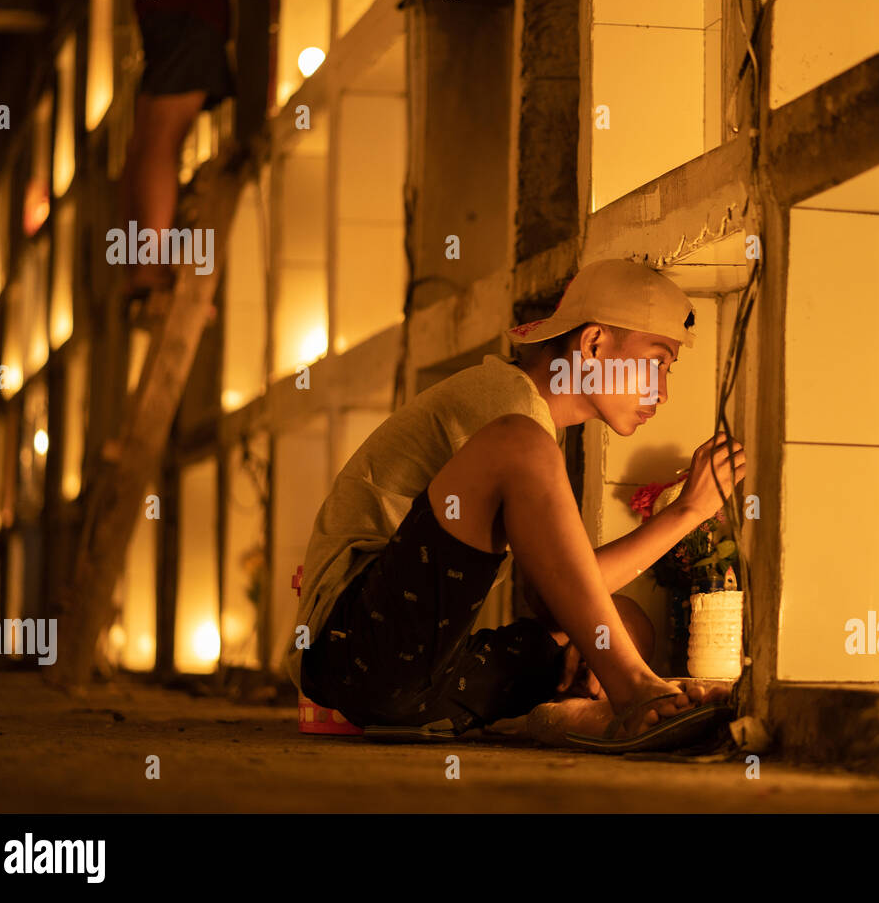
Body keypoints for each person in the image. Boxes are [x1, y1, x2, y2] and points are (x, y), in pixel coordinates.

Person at [290, 258, 745, 742]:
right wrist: (687, 512)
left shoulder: (540, 426)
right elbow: (555, 594)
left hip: (424, 683)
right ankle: (631, 690)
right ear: (592, 345)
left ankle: (584, 713)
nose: (664, 392)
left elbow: (556, 599)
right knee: (520, 443)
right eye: (656, 363)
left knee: (627, 622)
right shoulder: (510, 410)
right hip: (354, 651)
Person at [120, 0, 233, 317]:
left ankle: (139, 265)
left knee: (149, 137)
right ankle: (149, 264)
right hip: (186, 0)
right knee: (162, 138)